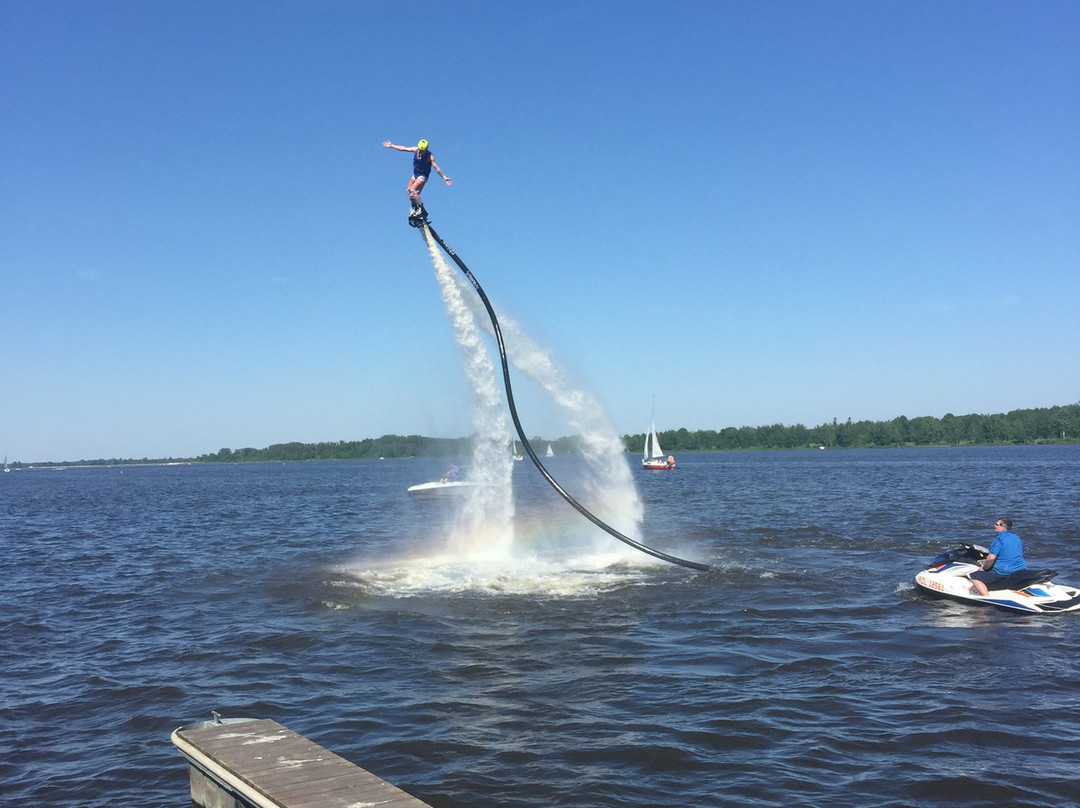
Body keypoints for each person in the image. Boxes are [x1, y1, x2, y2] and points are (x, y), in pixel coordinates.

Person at [382, 138, 451, 216]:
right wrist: (392, 146)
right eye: (420, 150)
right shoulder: (416, 150)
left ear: (426, 149)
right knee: (409, 192)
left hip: (423, 176)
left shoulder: (430, 156)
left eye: (423, 150)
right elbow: (404, 148)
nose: (421, 152)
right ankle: (415, 207)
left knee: (413, 191)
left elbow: (437, 168)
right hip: (415, 175)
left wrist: (444, 177)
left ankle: (422, 209)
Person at [970, 517, 1027, 596]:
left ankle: (986, 598)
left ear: (1003, 527)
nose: (994, 526)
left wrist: (983, 568)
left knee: (974, 576)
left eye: (997, 524)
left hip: (1004, 572)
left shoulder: (999, 539)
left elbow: (991, 558)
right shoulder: (1017, 538)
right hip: (1020, 570)